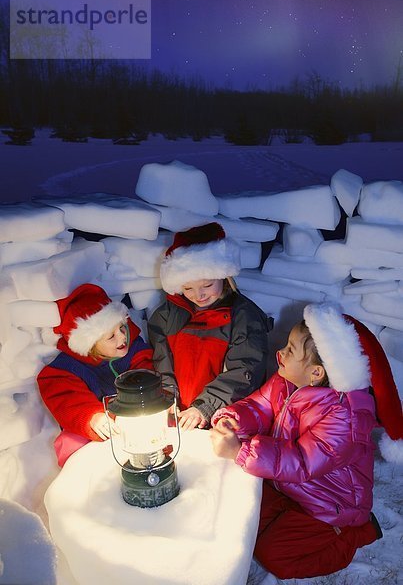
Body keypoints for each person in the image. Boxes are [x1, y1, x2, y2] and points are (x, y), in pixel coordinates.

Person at [210, 302, 403, 580]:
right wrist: (234, 418)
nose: (281, 353)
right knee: (240, 515)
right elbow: (260, 406)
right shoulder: (286, 380)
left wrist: (241, 451)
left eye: (290, 350)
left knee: (273, 555)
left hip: (328, 506)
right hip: (291, 488)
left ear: (316, 373)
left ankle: (356, 534)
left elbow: (301, 461)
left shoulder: (344, 418)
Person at [148, 222, 272, 431]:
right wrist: (167, 397)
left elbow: (245, 370)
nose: (199, 295)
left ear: (224, 277)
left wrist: (205, 407)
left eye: (207, 285)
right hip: (181, 415)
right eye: (188, 288)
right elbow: (161, 359)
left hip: (224, 418)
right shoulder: (168, 313)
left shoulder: (243, 316)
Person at [37, 283, 153, 467]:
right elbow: (66, 399)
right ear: (90, 344)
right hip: (104, 426)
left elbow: (147, 370)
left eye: (122, 328)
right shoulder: (67, 368)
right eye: (111, 336)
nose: (123, 337)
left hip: (136, 418)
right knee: (68, 442)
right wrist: (92, 416)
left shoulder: (134, 347)